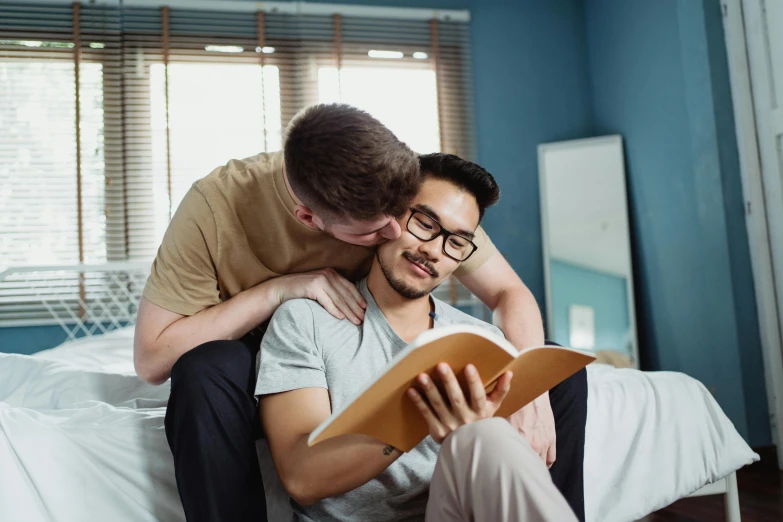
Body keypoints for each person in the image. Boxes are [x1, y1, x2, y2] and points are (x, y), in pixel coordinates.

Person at [133, 104, 585, 521]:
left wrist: (530, 392)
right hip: (270, 353)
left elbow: (508, 290)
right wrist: (278, 293)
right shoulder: (218, 208)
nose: (405, 235)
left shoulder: (414, 200)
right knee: (207, 368)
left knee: (543, 374)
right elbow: (153, 360)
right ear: (310, 219)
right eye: (409, 223)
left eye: (406, 215)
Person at [256, 152, 584, 521]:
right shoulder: (306, 321)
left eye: (456, 243)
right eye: (425, 222)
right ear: (389, 216)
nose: (433, 250)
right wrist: (420, 414)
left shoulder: (481, 339)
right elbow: (301, 478)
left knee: (485, 438)